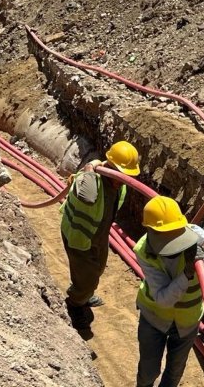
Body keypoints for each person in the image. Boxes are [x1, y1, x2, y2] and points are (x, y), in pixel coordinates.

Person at [134, 196, 204, 387]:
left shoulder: (198, 236)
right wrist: (187, 273)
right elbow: (163, 299)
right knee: (148, 372)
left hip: (187, 322)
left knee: (174, 373)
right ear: (150, 231)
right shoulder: (144, 250)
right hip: (154, 318)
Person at [61, 141, 141, 332]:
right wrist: (90, 168)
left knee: (97, 269)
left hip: (98, 234)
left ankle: (84, 294)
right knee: (87, 276)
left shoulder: (118, 185)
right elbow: (88, 197)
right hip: (79, 236)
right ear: (110, 166)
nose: (124, 180)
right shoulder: (89, 180)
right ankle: (75, 304)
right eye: (121, 174)